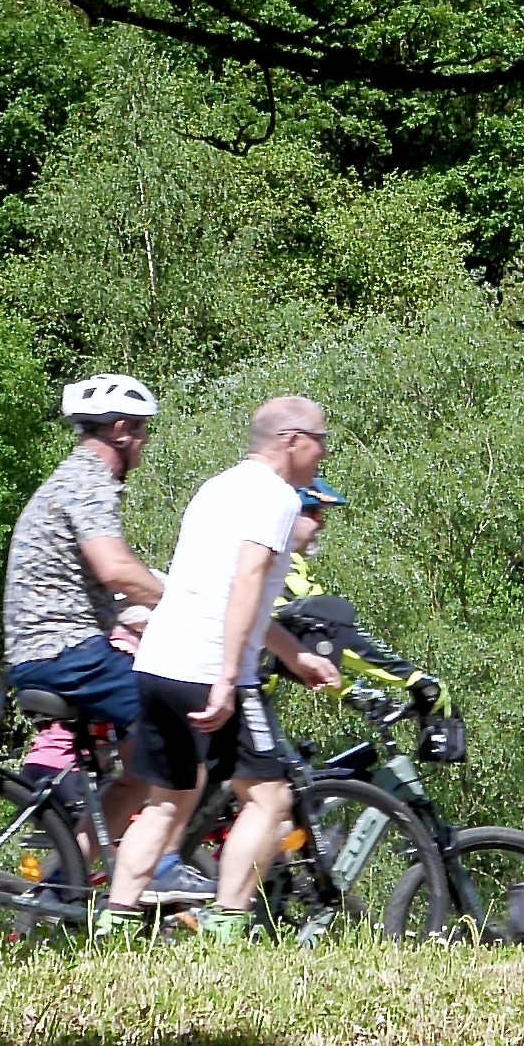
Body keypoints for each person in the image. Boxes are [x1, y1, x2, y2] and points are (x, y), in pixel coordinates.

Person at [102, 395, 335, 938]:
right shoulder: (276, 496)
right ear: (292, 439)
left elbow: (210, 587)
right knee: (270, 799)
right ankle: (229, 925)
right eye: (321, 440)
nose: (323, 452)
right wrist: (229, 678)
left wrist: (291, 654)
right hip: (210, 668)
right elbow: (246, 584)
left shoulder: (218, 487)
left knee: (166, 804)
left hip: (160, 660)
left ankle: (112, 924)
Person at [3, 376, 166, 755]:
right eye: (143, 430)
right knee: (181, 714)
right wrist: (186, 602)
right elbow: (116, 568)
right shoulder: (87, 482)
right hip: (67, 653)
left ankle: (109, 813)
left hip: (50, 652)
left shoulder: (72, 479)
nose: (145, 442)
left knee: (143, 762)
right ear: (121, 431)